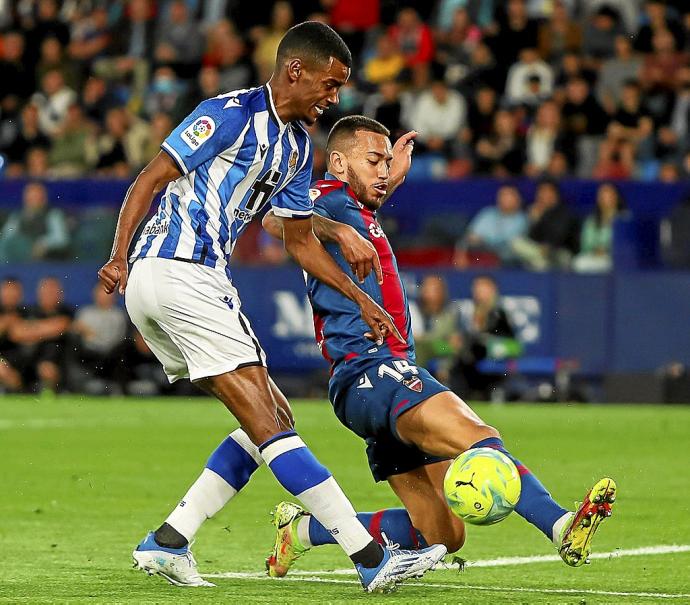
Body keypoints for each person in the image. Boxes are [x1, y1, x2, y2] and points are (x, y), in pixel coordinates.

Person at [96, 21, 445, 592]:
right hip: (182, 273)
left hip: (175, 283)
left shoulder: (295, 148)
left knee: (272, 416)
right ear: (295, 71)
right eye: (329, 86)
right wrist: (118, 255)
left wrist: (361, 299)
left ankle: (169, 541)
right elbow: (152, 176)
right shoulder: (230, 113)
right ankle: (368, 556)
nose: (334, 99)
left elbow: (299, 238)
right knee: (269, 424)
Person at [260, 115, 615, 577]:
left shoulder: (356, 209)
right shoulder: (328, 198)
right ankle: (561, 526)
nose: (384, 171)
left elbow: (358, 202)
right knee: (480, 440)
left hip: (371, 383)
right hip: (372, 369)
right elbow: (274, 219)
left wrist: (389, 175)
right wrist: (338, 233)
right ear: (339, 163)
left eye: (387, 163)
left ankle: (305, 531)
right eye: (374, 161)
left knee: (443, 535)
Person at [449, 274, 521, 398]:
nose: (477, 292)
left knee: (471, 348)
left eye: (481, 288)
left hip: (495, 353)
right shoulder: (470, 310)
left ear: (492, 290)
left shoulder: (499, 311)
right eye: (475, 288)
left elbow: (507, 338)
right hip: (474, 356)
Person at [0, 182, 70, 262]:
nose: (33, 201)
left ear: (44, 198)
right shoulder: (17, 216)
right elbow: (7, 236)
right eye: (30, 198)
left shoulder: (53, 214)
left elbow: (61, 239)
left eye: (36, 197)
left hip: (46, 259)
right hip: (20, 257)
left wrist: (43, 243)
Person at [0, 277, 30, 392]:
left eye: (14, 290)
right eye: (7, 290)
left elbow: (19, 333)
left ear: (20, 293)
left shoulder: (28, 312)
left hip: (22, 362)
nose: (10, 294)